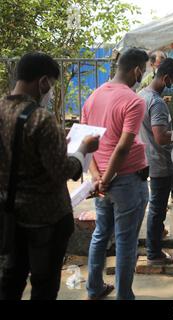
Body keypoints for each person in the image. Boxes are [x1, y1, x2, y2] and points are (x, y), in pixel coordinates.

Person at [0, 52, 99, 300]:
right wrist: (82, 150)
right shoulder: (40, 119)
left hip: (10, 213)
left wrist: (55, 143)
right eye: (52, 85)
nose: (51, 92)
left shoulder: (2, 109)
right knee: (44, 283)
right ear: (43, 81)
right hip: (46, 217)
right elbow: (62, 171)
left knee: (11, 277)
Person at [82, 48, 150, 300]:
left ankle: (94, 288)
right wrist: (107, 179)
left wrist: (97, 178)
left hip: (102, 180)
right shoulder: (133, 100)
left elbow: (85, 142)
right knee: (125, 240)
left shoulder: (92, 97)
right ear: (137, 70)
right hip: (126, 181)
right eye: (144, 71)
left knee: (101, 234)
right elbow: (122, 147)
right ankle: (124, 295)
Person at [138, 58, 173, 265]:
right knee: (157, 208)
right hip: (159, 161)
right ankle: (154, 253)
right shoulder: (157, 102)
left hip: (144, 159)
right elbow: (161, 137)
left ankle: (156, 241)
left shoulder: (141, 96)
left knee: (155, 207)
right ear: (166, 77)